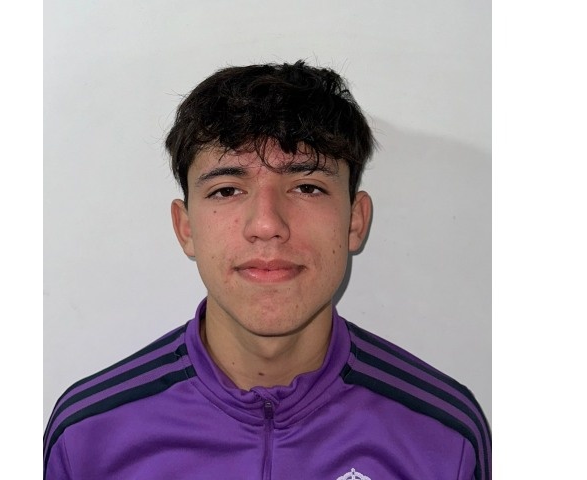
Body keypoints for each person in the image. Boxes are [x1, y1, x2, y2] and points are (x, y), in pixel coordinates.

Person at [44, 60, 491, 480]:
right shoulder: (87, 439)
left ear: (355, 221)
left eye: (307, 186)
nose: (266, 224)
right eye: (226, 190)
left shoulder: (444, 438)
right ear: (186, 228)